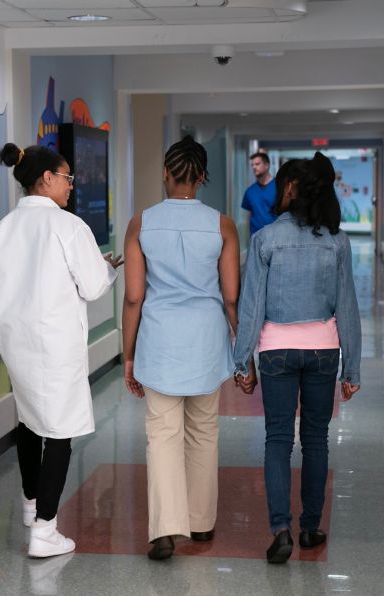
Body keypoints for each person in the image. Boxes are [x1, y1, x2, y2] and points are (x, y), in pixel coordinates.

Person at [0, 142, 122, 558]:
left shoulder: (4, 229)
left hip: (15, 338)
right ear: (46, 178)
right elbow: (93, 285)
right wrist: (110, 269)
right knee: (60, 429)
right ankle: (46, 530)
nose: (70, 186)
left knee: (29, 420)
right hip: (55, 340)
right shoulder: (68, 227)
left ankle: (31, 506)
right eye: (67, 178)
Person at [232, 152, 361, 564]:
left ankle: (280, 529)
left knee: (277, 440)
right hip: (323, 351)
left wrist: (242, 362)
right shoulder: (336, 242)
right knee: (316, 440)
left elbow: (251, 307)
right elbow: (347, 307)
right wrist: (351, 367)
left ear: (289, 190)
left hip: (276, 352)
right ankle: (310, 527)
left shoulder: (266, 239)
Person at [122, 135, 241, 560]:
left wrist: (129, 354)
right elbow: (231, 297)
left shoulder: (141, 223)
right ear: (203, 176)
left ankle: (165, 531)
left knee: (162, 435)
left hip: (159, 341)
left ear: (166, 174)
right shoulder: (222, 225)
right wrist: (240, 348)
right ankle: (201, 523)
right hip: (206, 342)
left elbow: (134, 296)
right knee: (204, 431)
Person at [241, 152, 277, 236]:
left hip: (275, 236)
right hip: (256, 238)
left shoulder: (279, 187)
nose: (254, 167)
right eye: (252, 165)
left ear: (266, 165)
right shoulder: (250, 191)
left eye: (257, 164)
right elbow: (249, 216)